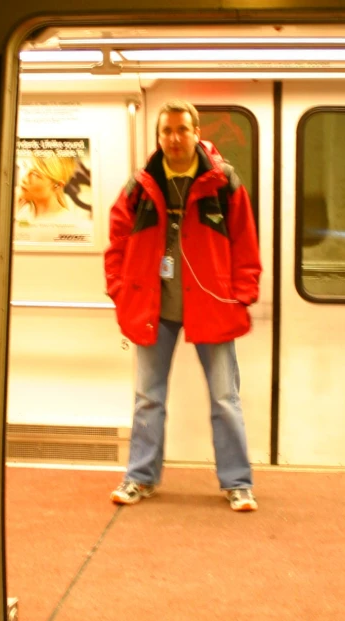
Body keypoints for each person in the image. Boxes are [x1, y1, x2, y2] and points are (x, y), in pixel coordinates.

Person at [104, 100, 262, 512]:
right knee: (147, 398)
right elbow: (117, 240)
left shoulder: (222, 181)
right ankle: (140, 477)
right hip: (152, 308)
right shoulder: (140, 185)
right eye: (166, 132)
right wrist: (119, 289)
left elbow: (245, 240)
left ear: (196, 133)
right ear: (159, 138)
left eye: (181, 130)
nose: (174, 139)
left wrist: (243, 293)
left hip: (213, 305)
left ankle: (237, 483)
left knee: (225, 398)